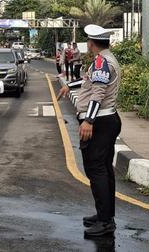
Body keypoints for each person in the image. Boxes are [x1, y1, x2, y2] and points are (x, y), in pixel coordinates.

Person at [57, 25, 121, 237]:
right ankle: (104, 215)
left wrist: (89, 121)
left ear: (92, 43)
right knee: (104, 169)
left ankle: (105, 221)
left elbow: (98, 94)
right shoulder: (104, 59)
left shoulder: (102, 62)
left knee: (96, 170)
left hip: (100, 122)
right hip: (107, 120)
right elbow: (90, 82)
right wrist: (70, 85)